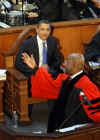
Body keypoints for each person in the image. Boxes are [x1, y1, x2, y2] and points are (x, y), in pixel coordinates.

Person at [22, 52, 100, 133]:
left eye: (66, 62)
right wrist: (35, 68)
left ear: (74, 66)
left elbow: (95, 113)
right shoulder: (66, 79)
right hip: (60, 123)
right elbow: (50, 83)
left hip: (75, 129)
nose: (63, 64)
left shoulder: (87, 85)